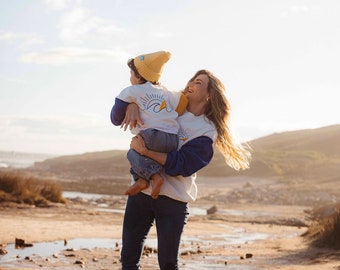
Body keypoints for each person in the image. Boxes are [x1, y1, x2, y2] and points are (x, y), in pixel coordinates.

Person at [113, 69, 251, 269]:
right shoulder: (170, 106)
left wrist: (146, 152)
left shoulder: (206, 130)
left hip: (173, 199)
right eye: (191, 80)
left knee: (168, 263)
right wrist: (133, 105)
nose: (191, 84)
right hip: (141, 192)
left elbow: (183, 164)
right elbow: (144, 97)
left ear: (209, 95)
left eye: (199, 83)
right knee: (128, 260)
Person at [111, 51, 188, 199]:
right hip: (172, 139)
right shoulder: (165, 91)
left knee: (133, 152)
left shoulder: (131, 91)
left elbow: (115, 119)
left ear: (138, 76)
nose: (130, 78)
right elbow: (182, 103)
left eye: (131, 74)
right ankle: (143, 179)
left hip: (152, 136)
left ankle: (153, 178)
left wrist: (130, 103)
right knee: (143, 155)